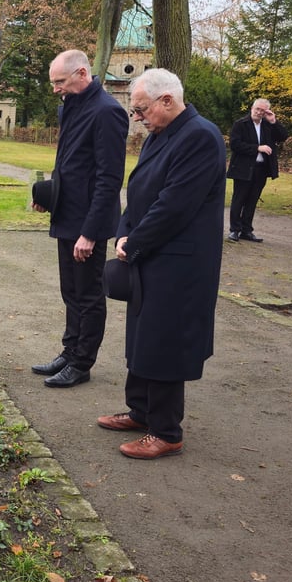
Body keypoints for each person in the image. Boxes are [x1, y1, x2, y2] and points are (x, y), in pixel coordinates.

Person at [98, 68, 225, 459]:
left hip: (179, 264)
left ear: (167, 100)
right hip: (150, 256)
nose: (138, 117)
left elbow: (173, 206)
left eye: (141, 109)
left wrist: (134, 243)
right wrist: (124, 231)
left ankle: (166, 431)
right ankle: (140, 411)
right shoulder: (160, 134)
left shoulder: (200, 137)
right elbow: (137, 192)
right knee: (141, 336)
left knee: (164, 341)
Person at [31, 50, 128, 388]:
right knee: (70, 290)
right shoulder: (72, 107)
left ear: (82, 74)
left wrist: (90, 233)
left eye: (60, 81)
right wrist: (49, 196)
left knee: (87, 294)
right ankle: (69, 350)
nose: (56, 88)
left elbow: (108, 178)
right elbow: (70, 165)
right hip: (67, 215)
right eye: (54, 82)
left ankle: (82, 362)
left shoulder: (108, 112)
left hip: (88, 223)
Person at [226, 98, 287, 243]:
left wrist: (273, 121)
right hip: (243, 168)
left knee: (252, 200)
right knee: (239, 199)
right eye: (257, 109)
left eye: (262, 110)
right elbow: (235, 144)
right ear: (252, 108)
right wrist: (257, 148)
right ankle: (234, 230)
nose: (259, 112)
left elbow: (283, 136)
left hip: (261, 169)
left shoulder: (268, 125)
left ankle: (247, 230)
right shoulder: (241, 124)